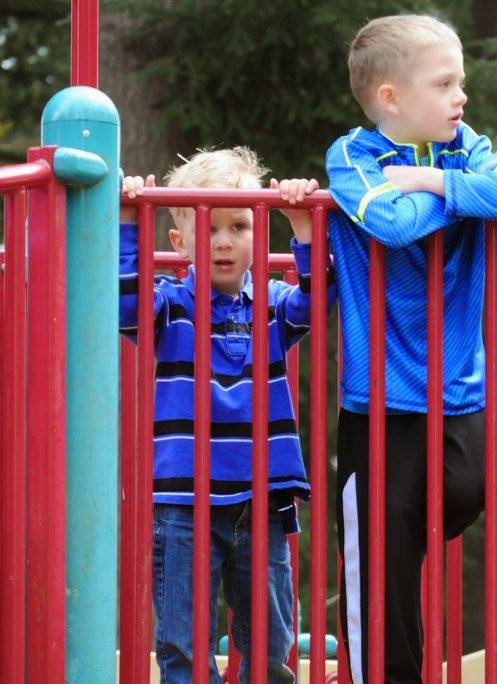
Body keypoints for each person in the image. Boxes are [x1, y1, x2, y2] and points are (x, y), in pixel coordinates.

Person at [324, 14, 497, 683]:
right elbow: (389, 224)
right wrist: (465, 200)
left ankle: (395, 546)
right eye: (444, 84)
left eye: (460, 83)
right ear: (391, 98)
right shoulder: (352, 157)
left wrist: (434, 184)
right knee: (381, 573)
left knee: (465, 494)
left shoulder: (465, 147)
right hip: (378, 397)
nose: (460, 97)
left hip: (458, 388)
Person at [119, 147, 326, 683]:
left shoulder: (274, 304)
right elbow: (126, 308)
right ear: (179, 242)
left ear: (258, 233)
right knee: (183, 645)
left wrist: (303, 227)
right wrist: (127, 223)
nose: (224, 241)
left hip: (263, 497)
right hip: (184, 500)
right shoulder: (170, 305)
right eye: (208, 229)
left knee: (271, 643)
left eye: (238, 226)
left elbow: (319, 302)